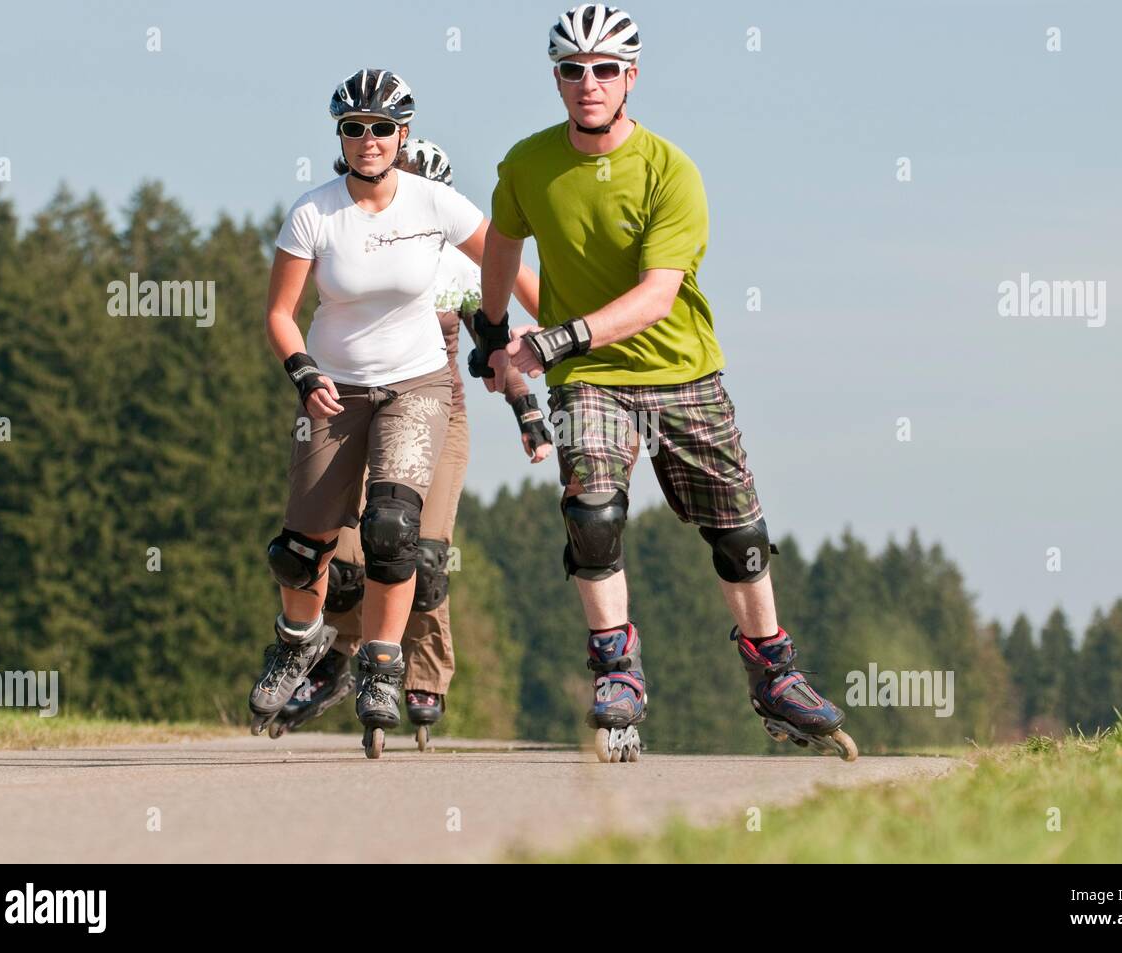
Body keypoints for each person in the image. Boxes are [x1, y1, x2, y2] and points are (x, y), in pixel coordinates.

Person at [470, 4, 858, 763]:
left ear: (631, 77)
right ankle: (617, 667)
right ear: (556, 79)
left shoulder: (670, 170)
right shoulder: (526, 163)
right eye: (574, 70)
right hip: (592, 381)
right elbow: (502, 243)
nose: (589, 83)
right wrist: (490, 333)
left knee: (740, 532)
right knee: (593, 510)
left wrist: (550, 338)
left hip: (682, 369)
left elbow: (656, 296)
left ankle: (774, 673)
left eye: (605, 69)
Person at [249, 68, 540, 759]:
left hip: (418, 387)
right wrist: (303, 370)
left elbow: (506, 261)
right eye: (355, 129)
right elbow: (279, 314)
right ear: (341, 138)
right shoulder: (314, 213)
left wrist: (551, 331)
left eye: (382, 128)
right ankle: (299, 642)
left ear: (402, 134)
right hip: (334, 389)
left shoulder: (436, 204)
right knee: (301, 553)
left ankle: (383, 665)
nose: (369, 140)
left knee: (392, 529)